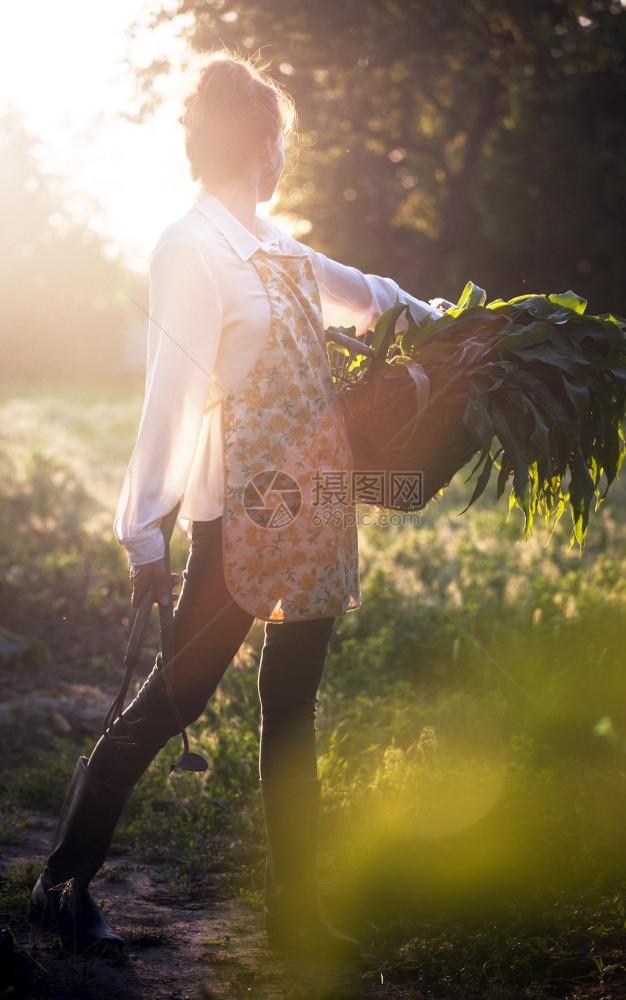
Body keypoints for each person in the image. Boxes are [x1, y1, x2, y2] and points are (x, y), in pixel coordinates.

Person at [29, 52, 446, 961]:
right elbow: (170, 394)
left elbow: (377, 302)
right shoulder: (191, 247)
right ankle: (62, 883)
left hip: (317, 512)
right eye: (281, 140)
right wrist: (145, 531)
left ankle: (298, 910)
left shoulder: (280, 247)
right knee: (174, 700)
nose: (284, 155)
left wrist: (469, 323)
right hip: (238, 523)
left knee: (292, 709)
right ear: (260, 142)